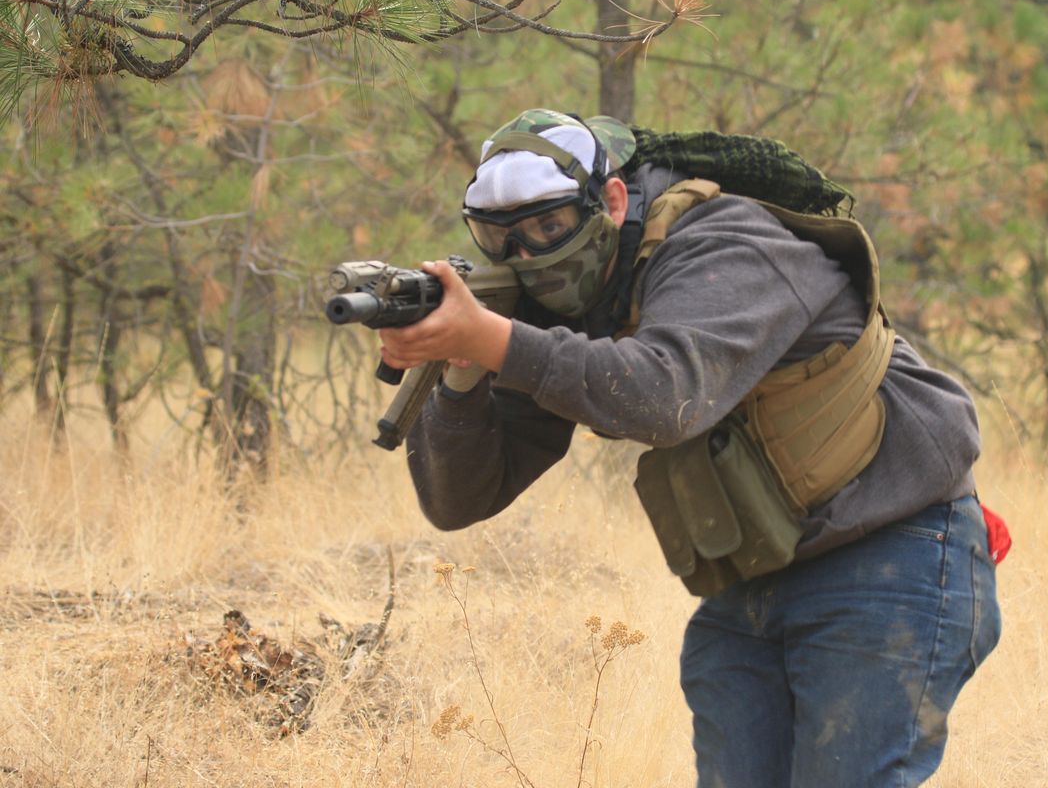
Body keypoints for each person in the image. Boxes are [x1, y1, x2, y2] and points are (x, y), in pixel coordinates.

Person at [378, 108, 1002, 787]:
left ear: (611, 202)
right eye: (497, 239)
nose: (525, 255)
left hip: (894, 550)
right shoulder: (563, 299)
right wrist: (463, 373)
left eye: (548, 227)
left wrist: (493, 341)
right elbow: (459, 499)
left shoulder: (723, 241)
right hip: (757, 570)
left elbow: (663, 395)